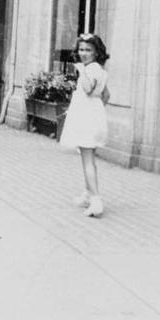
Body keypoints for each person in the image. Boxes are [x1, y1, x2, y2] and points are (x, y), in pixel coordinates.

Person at [58, 34, 111, 218]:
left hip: (87, 120)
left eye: (88, 50)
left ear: (96, 52)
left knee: (87, 160)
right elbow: (106, 95)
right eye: (81, 49)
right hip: (92, 117)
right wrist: (96, 111)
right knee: (88, 158)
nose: (84, 53)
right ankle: (88, 193)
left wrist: (81, 70)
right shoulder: (99, 69)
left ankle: (96, 200)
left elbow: (88, 89)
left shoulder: (90, 69)